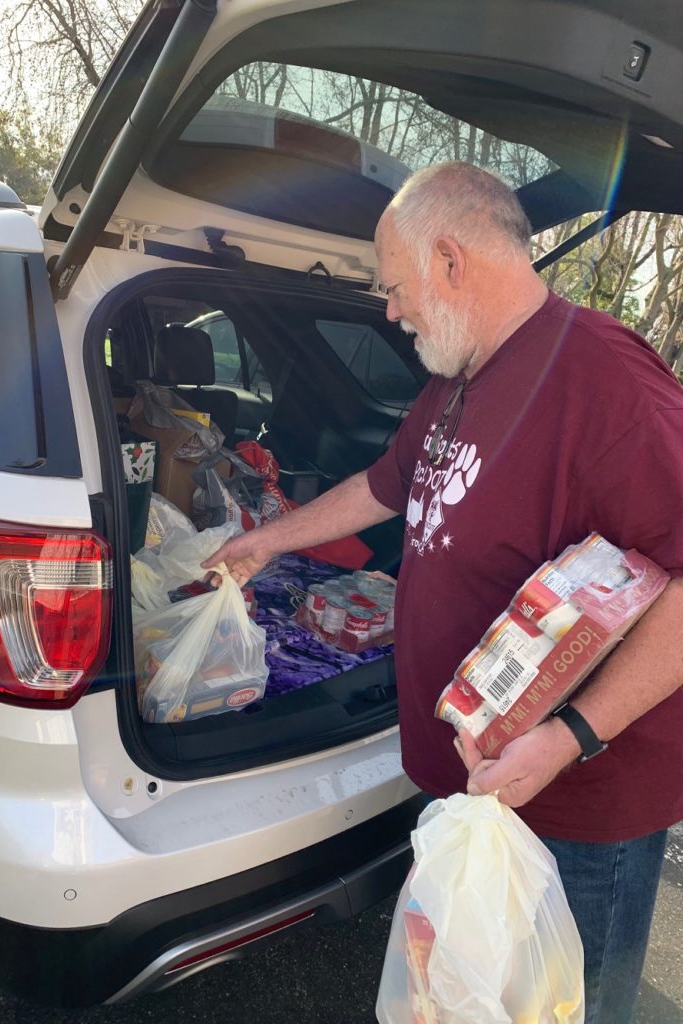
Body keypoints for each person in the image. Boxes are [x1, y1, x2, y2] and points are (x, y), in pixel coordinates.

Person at [203, 161, 683, 1023]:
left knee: (571, 1010)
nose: (391, 312)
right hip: (475, 791)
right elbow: (386, 484)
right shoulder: (460, 377)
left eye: (394, 288)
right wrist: (266, 541)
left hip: (574, 806)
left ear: (452, 261)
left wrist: (570, 736)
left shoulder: (606, 379)